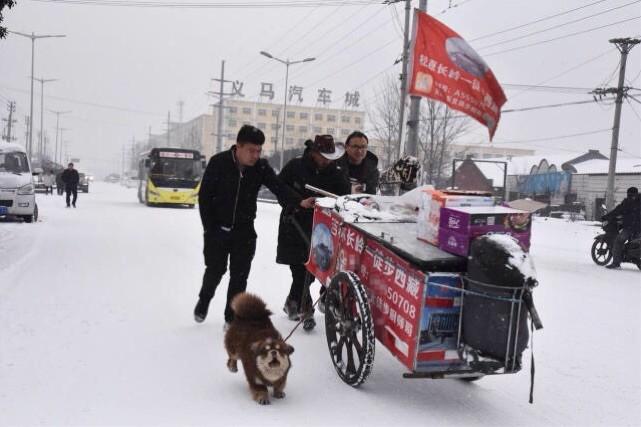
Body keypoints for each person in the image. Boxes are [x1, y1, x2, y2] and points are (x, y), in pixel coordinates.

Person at [194, 125, 313, 328]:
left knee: (239, 278)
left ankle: (231, 318)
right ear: (238, 147)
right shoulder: (219, 163)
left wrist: (299, 201)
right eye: (251, 150)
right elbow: (204, 198)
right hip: (217, 231)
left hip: (244, 232)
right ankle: (204, 300)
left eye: (259, 151)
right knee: (215, 271)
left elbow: (279, 187)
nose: (255, 155)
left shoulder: (261, 167)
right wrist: (210, 229)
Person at [277, 135, 351, 323]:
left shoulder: (336, 172)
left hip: (323, 227)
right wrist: (298, 202)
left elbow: (344, 198)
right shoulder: (295, 167)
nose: (327, 161)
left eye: (330, 157)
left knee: (315, 268)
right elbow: (279, 188)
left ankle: (293, 301)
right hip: (294, 222)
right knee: (300, 268)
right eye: (323, 156)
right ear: (313, 152)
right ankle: (304, 307)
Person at [603, 186, 641, 269]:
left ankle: (616, 263)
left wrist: (606, 217)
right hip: (638, 229)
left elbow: (617, 210)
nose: (630, 196)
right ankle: (633, 258)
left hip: (630, 228)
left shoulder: (627, 202)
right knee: (633, 244)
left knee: (618, 241)